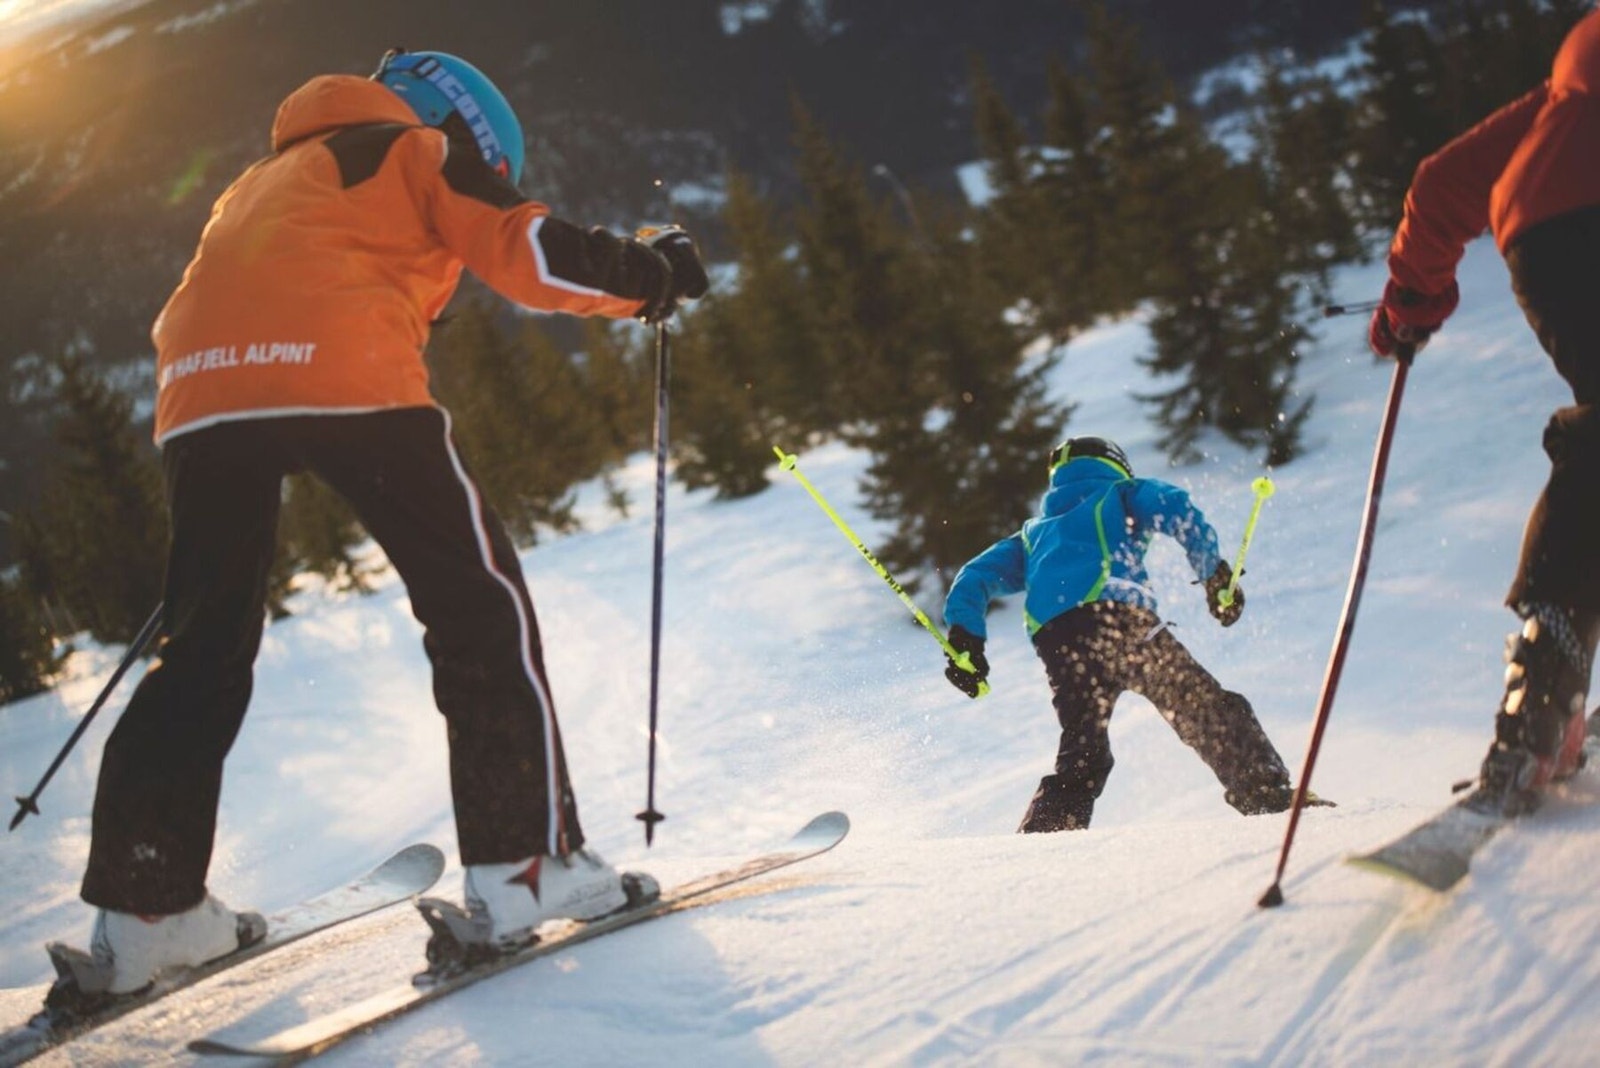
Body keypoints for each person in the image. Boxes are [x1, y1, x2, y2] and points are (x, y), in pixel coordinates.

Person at [55, 48, 709, 999]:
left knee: (200, 650)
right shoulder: (415, 151)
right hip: (343, 373)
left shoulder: (257, 181)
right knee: (479, 610)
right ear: (454, 129)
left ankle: (146, 913)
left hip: (198, 400)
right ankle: (525, 866)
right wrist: (649, 277)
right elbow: (526, 250)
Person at [1368, 10, 1600, 817]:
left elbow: (1442, 183)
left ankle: (1547, 694)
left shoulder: (1576, 76)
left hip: (1541, 234)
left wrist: (1412, 296)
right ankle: (1546, 699)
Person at [939, 436, 1295, 833]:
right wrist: (1213, 572)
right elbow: (1174, 506)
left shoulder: (1033, 535)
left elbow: (974, 576)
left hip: (1059, 640)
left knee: (1083, 752)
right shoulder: (1120, 493)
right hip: (1119, 621)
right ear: (1117, 466)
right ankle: (1268, 796)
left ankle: (1046, 837)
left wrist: (965, 640)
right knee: (1201, 706)